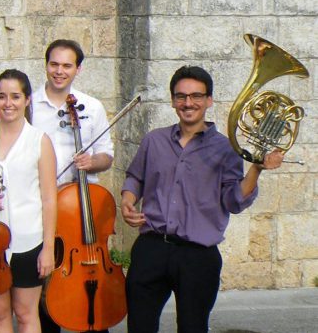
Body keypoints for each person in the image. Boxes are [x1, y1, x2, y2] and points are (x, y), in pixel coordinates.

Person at [121, 66, 283, 333]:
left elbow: (233, 202)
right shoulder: (154, 140)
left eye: (196, 96)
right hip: (151, 248)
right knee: (139, 326)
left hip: (198, 256)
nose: (188, 103)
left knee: (193, 328)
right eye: (181, 96)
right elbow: (135, 177)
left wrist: (257, 168)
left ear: (209, 100)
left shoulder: (227, 148)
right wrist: (128, 201)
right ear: (173, 100)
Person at [29, 39, 114, 333]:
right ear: (46, 65)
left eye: (67, 65)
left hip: (81, 209)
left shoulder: (91, 106)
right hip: (40, 206)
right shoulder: (29, 106)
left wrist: (93, 161)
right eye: (54, 64)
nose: (59, 71)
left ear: (78, 69)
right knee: (46, 290)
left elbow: (107, 155)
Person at [0, 69, 57, 333]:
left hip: (28, 240)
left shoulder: (39, 141)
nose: (8, 103)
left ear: (27, 100)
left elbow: (49, 198)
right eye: (2, 96)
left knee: (26, 313)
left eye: (15, 96)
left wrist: (48, 247)